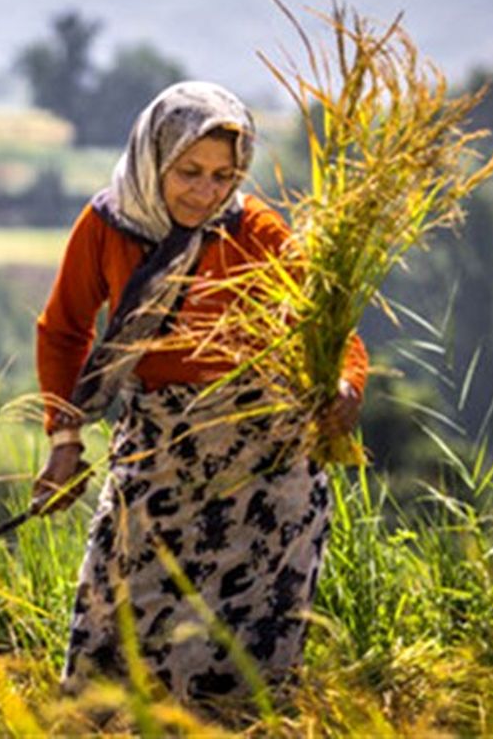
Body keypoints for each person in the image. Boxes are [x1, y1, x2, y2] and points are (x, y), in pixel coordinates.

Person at [32, 81, 367, 707]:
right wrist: (64, 439)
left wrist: (346, 385)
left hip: (265, 473)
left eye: (223, 175)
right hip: (158, 451)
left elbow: (328, 329)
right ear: (153, 157)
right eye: (189, 172)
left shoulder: (254, 231)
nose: (206, 192)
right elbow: (65, 330)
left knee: (246, 666)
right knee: (115, 635)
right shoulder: (107, 228)